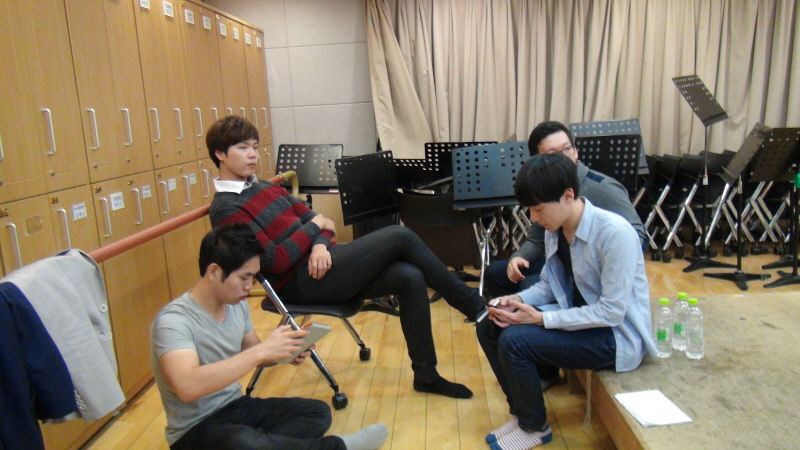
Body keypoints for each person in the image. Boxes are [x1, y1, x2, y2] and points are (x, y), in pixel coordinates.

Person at [206, 115, 486, 399]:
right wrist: (315, 229)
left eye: (255, 147)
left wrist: (319, 246)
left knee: (409, 276)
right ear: (220, 154)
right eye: (243, 148)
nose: (252, 154)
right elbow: (277, 260)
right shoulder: (226, 208)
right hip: (297, 283)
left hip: (324, 264)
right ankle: (473, 305)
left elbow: (321, 221)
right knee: (400, 236)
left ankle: (427, 376)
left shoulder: (266, 186)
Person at [150, 224, 388, 450]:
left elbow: (255, 352)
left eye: (253, 278)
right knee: (244, 442)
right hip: (194, 430)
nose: (249, 286)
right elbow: (187, 387)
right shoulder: (174, 321)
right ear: (214, 271)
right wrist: (260, 352)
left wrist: (285, 351)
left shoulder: (235, 305)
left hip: (235, 406)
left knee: (317, 413)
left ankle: (265, 445)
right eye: (244, 278)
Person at [476, 153, 656, 450]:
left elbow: (611, 313)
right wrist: (515, 299)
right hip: (580, 317)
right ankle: (522, 416)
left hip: (616, 337)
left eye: (538, 209)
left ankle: (534, 427)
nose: (534, 218)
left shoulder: (615, 233)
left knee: (515, 341)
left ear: (568, 196)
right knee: (490, 325)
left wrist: (540, 319)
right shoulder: (556, 228)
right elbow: (550, 285)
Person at [484, 121, 647, 299]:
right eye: (553, 155)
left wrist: (599, 267)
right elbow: (537, 239)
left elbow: (637, 235)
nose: (564, 157)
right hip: (560, 264)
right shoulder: (544, 188)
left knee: (530, 284)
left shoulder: (603, 188)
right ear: (538, 161)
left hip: (590, 271)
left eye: (567, 149)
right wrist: (520, 256)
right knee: (495, 274)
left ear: (576, 151)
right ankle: (506, 313)